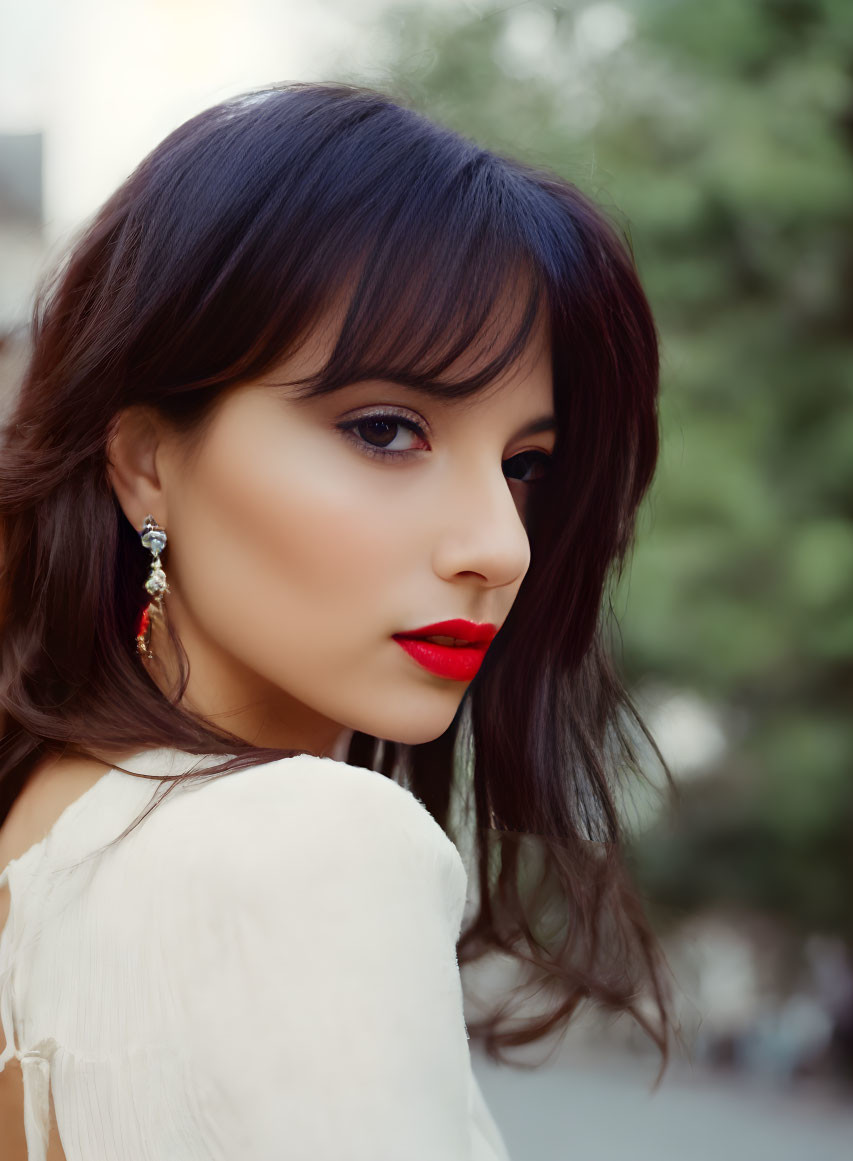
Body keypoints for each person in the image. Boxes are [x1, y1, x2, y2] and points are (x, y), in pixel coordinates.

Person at [0, 81, 677, 1159]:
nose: (502, 545)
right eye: (386, 429)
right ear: (145, 464)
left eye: (525, 465)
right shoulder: (308, 847)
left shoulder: (39, 834)